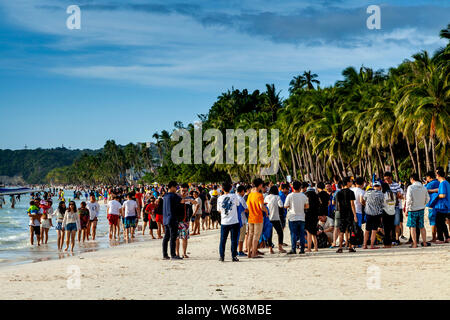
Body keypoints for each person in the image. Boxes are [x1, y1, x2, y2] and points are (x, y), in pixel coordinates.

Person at [162, 181, 188, 260]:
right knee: (173, 238)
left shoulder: (165, 196)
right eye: (176, 187)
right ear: (172, 187)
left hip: (165, 219)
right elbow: (182, 201)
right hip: (172, 219)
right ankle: (173, 255)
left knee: (166, 237)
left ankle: (165, 255)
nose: (176, 189)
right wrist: (190, 201)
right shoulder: (173, 196)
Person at [217, 182, 241, 262]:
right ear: (230, 188)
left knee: (223, 240)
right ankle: (234, 256)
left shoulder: (219, 198)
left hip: (224, 221)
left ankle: (222, 256)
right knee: (233, 240)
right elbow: (237, 205)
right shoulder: (234, 196)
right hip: (234, 221)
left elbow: (219, 210)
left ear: (222, 189)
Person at [405, 173, 430, 248]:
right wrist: (423, 204)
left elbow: (408, 200)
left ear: (412, 179)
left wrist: (406, 209)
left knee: (413, 227)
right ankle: (424, 243)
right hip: (421, 209)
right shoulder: (424, 187)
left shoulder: (410, 187)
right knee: (422, 226)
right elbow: (428, 199)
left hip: (412, 210)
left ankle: (415, 243)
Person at [284, 181, 309, 255]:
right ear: (300, 187)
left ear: (292, 187)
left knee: (293, 234)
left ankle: (293, 249)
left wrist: (291, 206)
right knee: (301, 234)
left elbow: (285, 205)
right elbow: (307, 206)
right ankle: (302, 249)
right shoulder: (303, 196)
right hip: (301, 217)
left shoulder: (290, 196)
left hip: (292, 217)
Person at [246, 178, 268, 258]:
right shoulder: (259, 195)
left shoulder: (250, 195)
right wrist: (266, 211)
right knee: (256, 236)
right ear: (260, 185)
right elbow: (261, 206)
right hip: (258, 217)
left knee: (250, 235)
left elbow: (247, 206)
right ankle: (254, 253)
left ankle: (249, 252)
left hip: (250, 217)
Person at [335, 177, 357, 253]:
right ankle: (350, 247)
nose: (351, 183)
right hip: (349, 213)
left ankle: (340, 247)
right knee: (350, 230)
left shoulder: (339, 193)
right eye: (351, 182)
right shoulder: (351, 192)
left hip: (342, 214)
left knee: (341, 231)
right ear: (347, 183)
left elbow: (338, 205)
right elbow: (352, 204)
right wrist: (355, 215)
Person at [429, 168, 450, 243]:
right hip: (446, 206)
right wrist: (431, 191)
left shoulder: (442, 183)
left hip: (441, 206)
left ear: (438, 175)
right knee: (442, 223)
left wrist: (436, 196)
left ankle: (440, 238)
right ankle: (447, 237)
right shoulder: (446, 182)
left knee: (438, 222)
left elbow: (443, 195)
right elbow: (439, 189)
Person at [362, 181, 384, 249]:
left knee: (367, 230)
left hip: (368, 213)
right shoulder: (381, 194)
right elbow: (382, 203)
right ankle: (372, 245)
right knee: (374, 230)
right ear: (380, 187)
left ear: (373, 186)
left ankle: (365, 245)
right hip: (377, 214)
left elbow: (363, 200)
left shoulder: (367, 193)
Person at [383, 172, 404, 244]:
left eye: (388, 178)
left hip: (396, 206)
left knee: (396, 223)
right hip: (387, 208)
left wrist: (399, 196)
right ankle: (390, 238)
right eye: (385, 179)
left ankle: (397, 239)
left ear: (391, 177)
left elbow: (400, 196)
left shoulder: (396, 185)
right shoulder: (383, 185)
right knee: (389, 224)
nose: (387, 180)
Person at [176, 184, 195, 258]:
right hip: (177, 220)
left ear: (188, 190)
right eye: (182, 190)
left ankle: (184, 253)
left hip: (186, 220)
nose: (183, 192)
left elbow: (195, 204)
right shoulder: (177, 197)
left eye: (185, 190)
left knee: (185, 238)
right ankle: (177, 253)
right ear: (180, 189)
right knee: (176, 238)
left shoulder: (189, 198)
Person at [265, 185, 286, 254]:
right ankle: (280, 247)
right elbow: (281, 205)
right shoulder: (277, 197)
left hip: (268, 218)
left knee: (269, 234)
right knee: (280, 232)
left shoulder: (266, 197)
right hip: (275, 217)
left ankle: (270, 249)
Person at [425, 171, 439, 242]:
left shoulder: (429, 184)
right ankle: (440, 236)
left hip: (432, 204)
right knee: (439, 221)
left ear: (429, 177)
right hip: (439, 205)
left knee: (433, 222)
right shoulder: (439, 182)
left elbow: (423, 190)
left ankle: (434, 238)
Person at [304, 185, 319, 253]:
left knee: (309, 232)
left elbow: (305, 207)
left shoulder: (306, 198)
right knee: (314, 232)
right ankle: (316, 247)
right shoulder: (316, 199)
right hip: (315, 216)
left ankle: (309, 248)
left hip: (308, 216)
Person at [381, 182, 396, 248]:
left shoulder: (384, 194)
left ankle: (386, 244)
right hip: (392, 212)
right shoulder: (392, 194)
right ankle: (390, 242)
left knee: (386, 229)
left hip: (386, 212)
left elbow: (382, 204)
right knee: (391, 228)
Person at [236, 185, 249, 256]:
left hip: (235, 219)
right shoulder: (241, 199)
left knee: (236, 236)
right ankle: (240, 251)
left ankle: (235, 250)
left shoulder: (234, 197)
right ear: (242, 191)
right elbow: (246, 209)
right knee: (241, 237)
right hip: (242, 220)